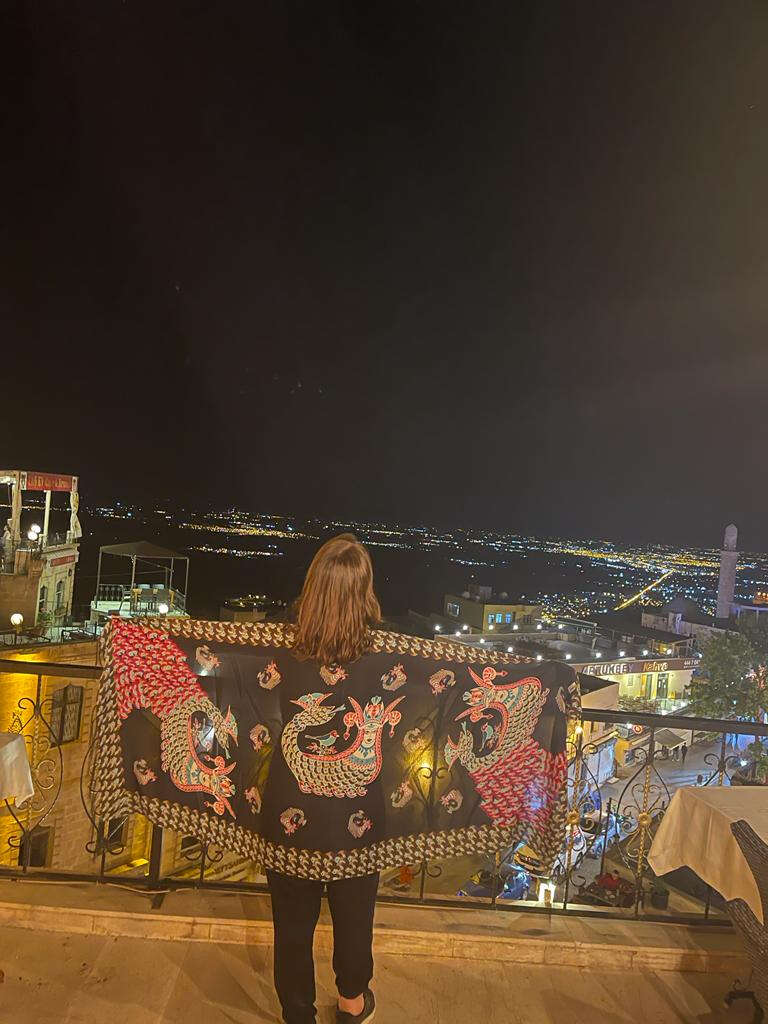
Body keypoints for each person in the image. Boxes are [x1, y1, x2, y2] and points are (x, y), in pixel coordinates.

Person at [261, 534, 381, 1024]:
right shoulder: (387, 655)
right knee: (355, 912)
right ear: (364, 590)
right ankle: (352, 1002)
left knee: (291, 922)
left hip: (290, 807)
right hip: (358, 814)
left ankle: (298, 1013)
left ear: (313, 584)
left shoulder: (276, 645)